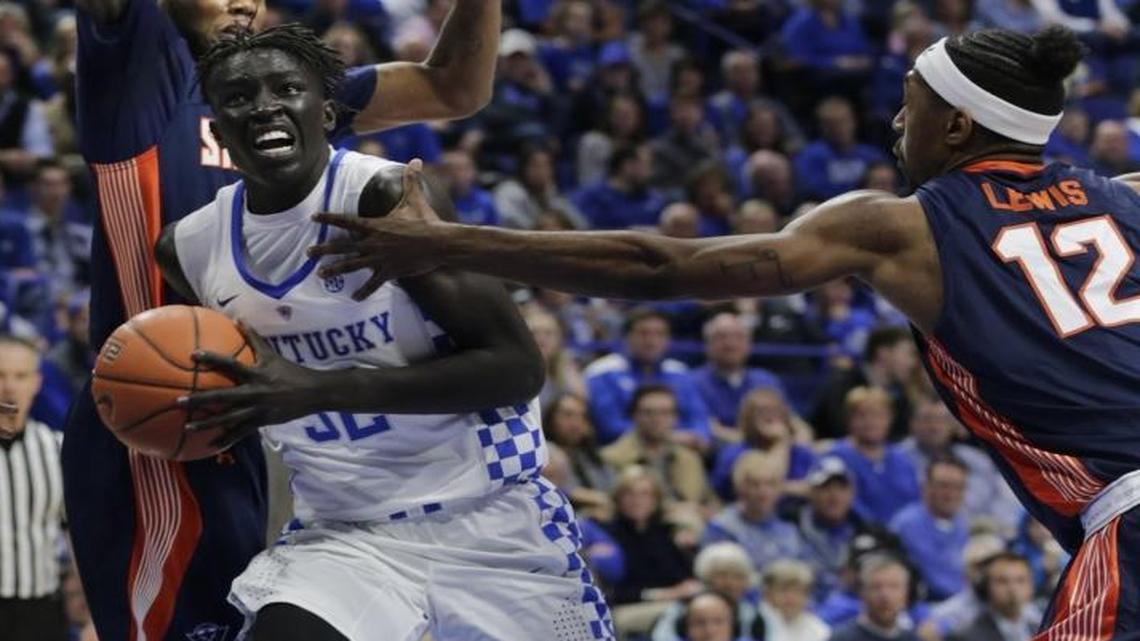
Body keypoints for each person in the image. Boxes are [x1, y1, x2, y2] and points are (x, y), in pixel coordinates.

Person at [310, 25, 1140, 639]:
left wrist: (448, 240)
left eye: (911, 106)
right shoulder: (1124, 196)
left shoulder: (902, 227)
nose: (895, 122)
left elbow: (663, 269)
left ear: (958, 127)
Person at [153, 26, 613, 641]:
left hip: (487, 520)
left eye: (287, 88)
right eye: (237, 97)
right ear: (216, 128)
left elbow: (516, 369)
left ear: (327, 112)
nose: (263, 105)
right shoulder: (188, 248)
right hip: (345, 535)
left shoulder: (383, 196)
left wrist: (318, 390)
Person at [68, 0, 503, 638]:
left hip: (261, 415)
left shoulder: (273, 93)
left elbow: (453, 86)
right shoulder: (140, 65)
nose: (244, 1)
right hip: (157, 418)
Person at [0, 335, 66, 641]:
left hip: (39, 609)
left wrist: (94, 614)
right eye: (0, 375)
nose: (9, 387)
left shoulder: (58, 448)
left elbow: (79, 536)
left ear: (36, 382)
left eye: (20, 376)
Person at [584, 309, 712, 446]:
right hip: (624, 452)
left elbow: (699, 419)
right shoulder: (603, 371)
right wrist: (667, 437)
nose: (652, 341)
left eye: (660, 334)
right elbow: (610, 427)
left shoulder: (679, 372)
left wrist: (698, 437)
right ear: (627, 336)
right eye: (643, 333)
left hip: (681, 450)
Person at [601, 385, 710, 509]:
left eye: (665, 413)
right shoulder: (611, 458)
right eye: (649, 413)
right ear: (634, 415)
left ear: (675, 418)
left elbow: (707, 501)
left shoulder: (690, 459)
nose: (657, 419)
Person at [702, 452, 807, 574]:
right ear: (740, 487)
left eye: (770, 484)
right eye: (755, 485)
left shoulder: (789, 532)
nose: (763, 492)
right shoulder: (722, 528)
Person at [827, 387, 920, 525]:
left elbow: (915, 500)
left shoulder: (902, 458)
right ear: (849, 419)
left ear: (890, 419)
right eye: (862, 415)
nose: (870, 422)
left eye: (878, 415)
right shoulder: (837, 456)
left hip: (903, 535)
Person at [888, 456, 970, 602]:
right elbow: (935, 581)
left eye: (958, 487)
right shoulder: (908, 524)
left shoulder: (963, 524)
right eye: (944, 486)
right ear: (926, 487)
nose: (951, 494)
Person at [692, 312, 787, 433]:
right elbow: (707, 430)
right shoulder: (693, 383)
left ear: (750, 344)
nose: (730, 344)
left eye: (738, 337)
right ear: (707, 344)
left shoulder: (766, 381)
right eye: (721, 337)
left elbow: (790, 420)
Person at [651, 542, 762, 641]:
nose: (730, 583)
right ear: (707, 577)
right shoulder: (682, 607)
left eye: (737, 576)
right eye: (723, 575)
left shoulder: (754, 613)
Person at [947, 553, 1040, 641]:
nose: (1012, 588)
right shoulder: (964, 636)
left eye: (1020, 580)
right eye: (1002, 581)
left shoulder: (1041, 630)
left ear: (1032, 586)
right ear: (985, 587)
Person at [828, 555, 922, 641]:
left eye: (894, 587)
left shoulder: (912, 638)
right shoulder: (842, 638)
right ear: (863, 593)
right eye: (876, 587)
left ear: (906, 594)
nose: (885, 596)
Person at [758, 560, 831, 641]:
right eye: (784, 590)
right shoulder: (755, 623)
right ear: (768, 594)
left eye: (797, 592)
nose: (791, 598)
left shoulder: (818, 629)